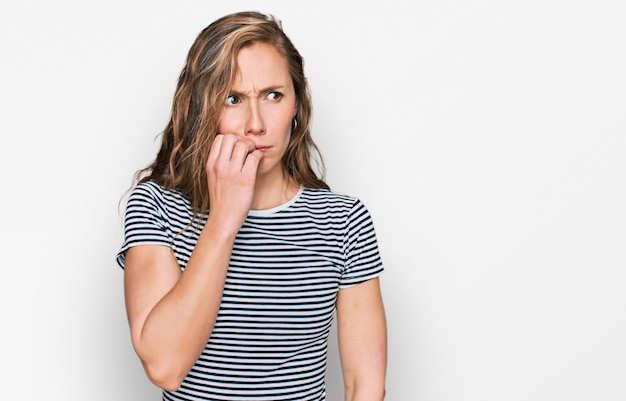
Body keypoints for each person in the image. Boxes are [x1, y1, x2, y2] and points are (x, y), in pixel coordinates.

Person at [116, 10, 387, 401]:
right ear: (203, 110)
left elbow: (365, 384)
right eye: (233, 98)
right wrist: (225, 219)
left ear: (296, 105)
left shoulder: (344, 220)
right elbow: (164, 366)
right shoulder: (156, 206)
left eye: (273, 95)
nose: (255, 124)